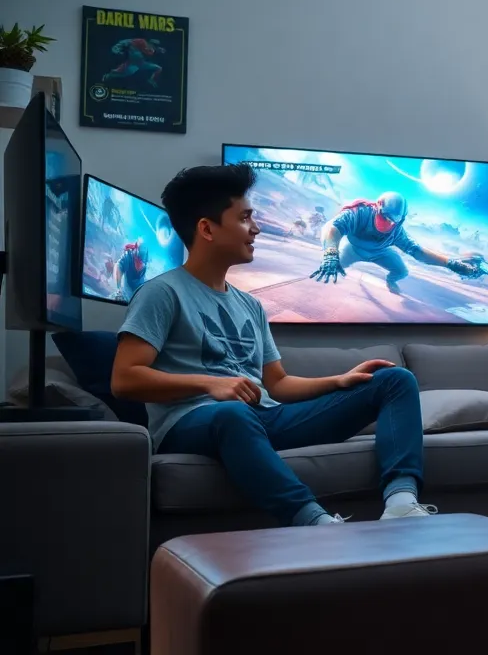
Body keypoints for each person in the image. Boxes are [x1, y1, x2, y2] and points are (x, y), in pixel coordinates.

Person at [110, 164, 435, 527]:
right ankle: (317, 525)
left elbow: (277, 384)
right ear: (207, 229)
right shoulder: (161, 292)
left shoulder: (250, 305)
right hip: (192, 424)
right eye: (245, 218)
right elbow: (125, 379)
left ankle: (402, 505)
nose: (257, 228)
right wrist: (211, 383)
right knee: (232, 413)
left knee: (395, 380)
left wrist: (341, 380)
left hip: (261, 418)